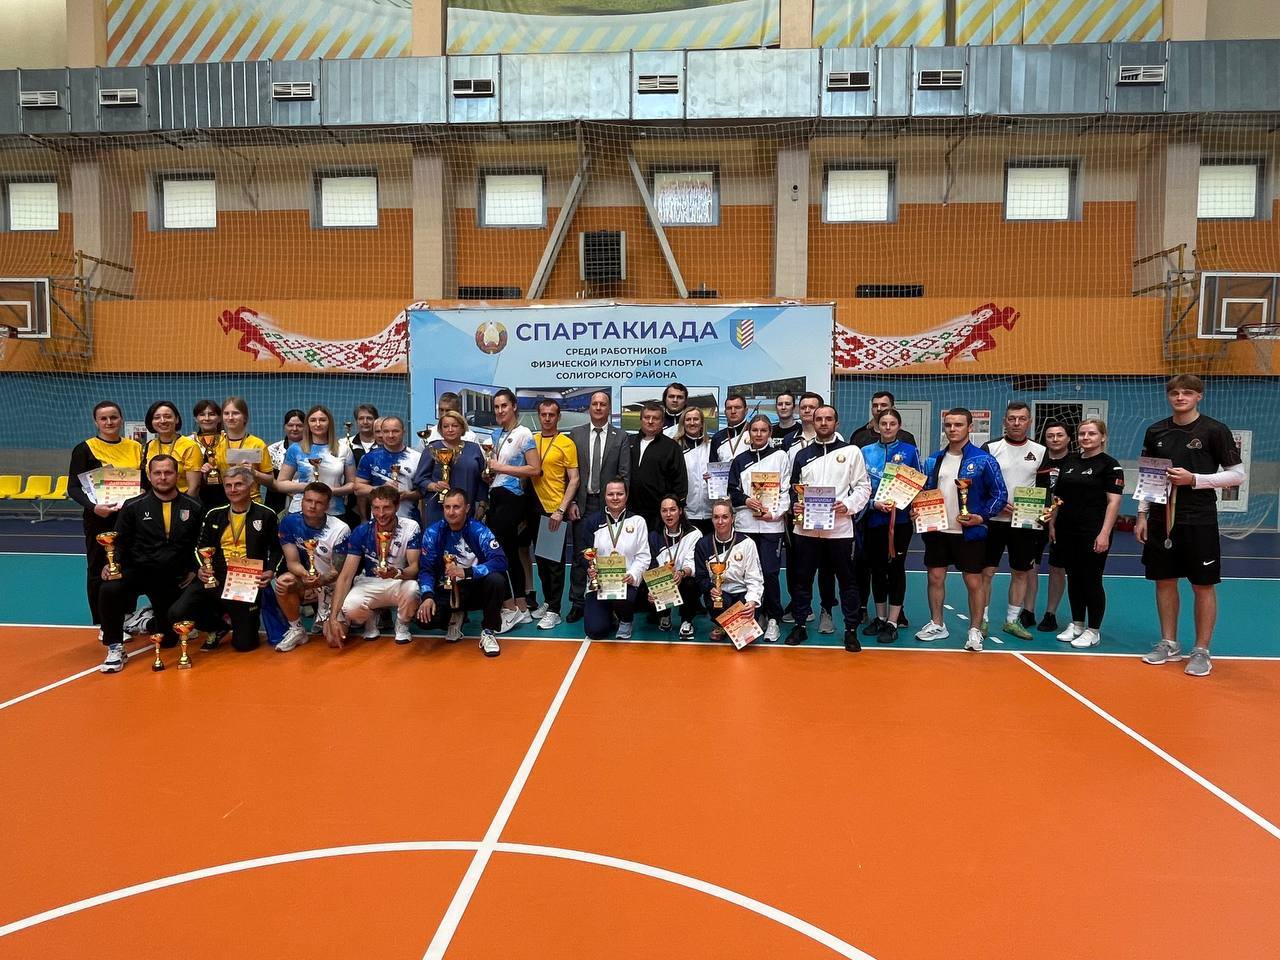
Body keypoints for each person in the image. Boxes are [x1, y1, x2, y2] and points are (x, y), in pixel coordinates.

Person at [1137, 374, 1244, 677]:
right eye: (1175, 393)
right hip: (1161, 519)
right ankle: (1169, 643)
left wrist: (1194, 479)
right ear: (1168, 397)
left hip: (1199, 518)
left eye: (1187, 393)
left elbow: (1237, 475)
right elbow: (1149, 476)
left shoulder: (1215, 430)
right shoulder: (1155, 430)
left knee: (1202, 584)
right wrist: (1142, 515)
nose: (1180, 397)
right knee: (1164, 580)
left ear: (1199, 396)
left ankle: (1201, 650)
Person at [96, 455, 203, 673]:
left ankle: (144, 621)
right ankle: (115, 646)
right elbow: (120, 542)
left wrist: (194, 569)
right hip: (139, 572)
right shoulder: (133, 506)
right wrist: (111, 564)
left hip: (172, 578)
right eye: (157, 473)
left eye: (168, 472)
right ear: (149, 475)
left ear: (177, 475)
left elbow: (200, 543)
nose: (163, 477)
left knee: (168, 640)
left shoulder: (193, 506)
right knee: (109, 589)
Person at [914, 408, 1007, 652]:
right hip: (937, 531)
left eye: (958, 425)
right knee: (935, 578)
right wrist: (917, 510)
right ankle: (937, 624)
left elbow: (1000, 494)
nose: (952, 429)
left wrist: (981, 517)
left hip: (970, 533)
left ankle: (975, 631)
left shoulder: (984, 460)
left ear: (970, 427)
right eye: (948, 425)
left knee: (973, 582)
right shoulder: (934, 459)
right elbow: (925, 492)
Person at [785, 405, 871, 651]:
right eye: (819, 419)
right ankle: (800, 625)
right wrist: (795, 505)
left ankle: (851, 630)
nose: (823, 423)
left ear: (837, 423)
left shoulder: (851, 451)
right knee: (802, 580)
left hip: (840, 530)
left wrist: (848, 505)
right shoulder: (802, 455)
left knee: (847, 581)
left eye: (828, 419)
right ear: (813, 422)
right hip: (806, 530)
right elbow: (793, 489)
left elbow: (863, 487)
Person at [171, 465, 281, 653]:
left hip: (246, 579)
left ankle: (237, 620)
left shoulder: (266, 514)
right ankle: (217, 626)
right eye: (228, 485)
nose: (233, 490)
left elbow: (277, 550)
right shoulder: (214, 514)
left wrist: (270, 570)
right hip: (216, 575)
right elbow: (199, 548)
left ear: (251, 486)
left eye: (238, 484)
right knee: (177, 612)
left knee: (244, 645)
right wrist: (201, 569)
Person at [68, 400, 144, 632]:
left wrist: (142, 491)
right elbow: (73, 488)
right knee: (99, 567)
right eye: (104, 418)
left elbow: (143, 480)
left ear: (121, 419)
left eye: (113, 417)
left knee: (127, 565)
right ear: (96, 422)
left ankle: (127, 615)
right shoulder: (85, 449)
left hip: (129, 518)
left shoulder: (135, 447)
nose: (109, 422)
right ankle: (105, 623)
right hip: (100, 519)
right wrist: (93, 507)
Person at [1049, 419, 1124, 649]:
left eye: (1092, 433)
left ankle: (1094, 630)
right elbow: (1058, 498)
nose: (1086, 437)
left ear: (1103, 437)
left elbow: (1113, 502)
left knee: (1091, 579)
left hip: (1093, 531)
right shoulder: (1069, 462)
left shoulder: (1110, 466)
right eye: (1082, 434)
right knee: (1073, 577)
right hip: (1067, 529)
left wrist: (1104, 533)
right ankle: (1077, 624)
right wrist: (1052, 523)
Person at [980, 402, 1046, 641]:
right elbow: (980, 484)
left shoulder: (1040, 451)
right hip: (994, 521)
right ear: (1004, 421)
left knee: (1021, 572)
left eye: (1022, 418)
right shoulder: (990, 448)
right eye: (1012, 418)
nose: (1017, 423)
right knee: (987, 572)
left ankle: (1011, 621)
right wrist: (996, 503)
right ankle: (982, 619)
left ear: (1029, 421)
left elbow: (1044, 488)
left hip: (1024, 522)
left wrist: (1044, 509)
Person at [416, 488, 509, 657]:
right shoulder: (432, 533)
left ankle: (488, 631)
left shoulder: (479, 531)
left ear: (467, 508)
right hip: (447, 589)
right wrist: (427, 596)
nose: (451, 512)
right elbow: (426, 570)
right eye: (447, 507)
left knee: (497, 580)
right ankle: (456, 614)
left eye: (456, 507)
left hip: (476, 588)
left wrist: (468, 572)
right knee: (425, 621)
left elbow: (500, 560)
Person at [327, 485, 421, 647]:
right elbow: (346, 576)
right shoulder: (361, 531)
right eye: (376, 508)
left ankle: (402, 623)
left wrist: (397, 572)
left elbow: (414, 569)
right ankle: (370, 619)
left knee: (412, 589)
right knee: (350, 607)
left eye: (386, 508)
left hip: (398, 581)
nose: (381, 514)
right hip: (369, 581)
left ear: (397, 506)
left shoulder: (411, 527)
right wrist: (333, 617)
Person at [567, 390, 632, 623]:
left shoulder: (620, 436)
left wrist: (619, 505)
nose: (598, 407)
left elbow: (624, 473)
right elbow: (569, 472)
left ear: (609, 408)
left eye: (603, 404)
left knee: (610, 553)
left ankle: (610, 602)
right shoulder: (575, 434)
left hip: (610, 506)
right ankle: (577, 602)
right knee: (580, 555)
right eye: (594, 403)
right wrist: (572, 501)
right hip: (582, 503)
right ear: (589, 407)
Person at [860, 408, 922, 644]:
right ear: (877, 426)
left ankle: (893, 621)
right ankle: (880, 617)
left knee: (896, 568)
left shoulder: (909, 451)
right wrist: (873, 504)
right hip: (874, 519)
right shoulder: (866, 452)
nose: (887, 427)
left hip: (901, 521)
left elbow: (918, 484)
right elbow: (860, 486)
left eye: (892, 423)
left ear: (899, 426)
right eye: (883, 423)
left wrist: (914, 507)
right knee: (876, 569)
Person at [728, 414, 791, 642]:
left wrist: (773, 514)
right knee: (747, 574)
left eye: (763, 430)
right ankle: (756, 614)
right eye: (755, 430)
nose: (759, 434)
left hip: (771, 526)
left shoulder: (780, 456)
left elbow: (786, 491)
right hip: (746, 526)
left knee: (770, 572)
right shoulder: (740, 460)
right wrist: (747, 501)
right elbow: (732, 491)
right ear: (749, 433)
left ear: (770, 433)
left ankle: (773, 617)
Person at [484, 388, 542, 630]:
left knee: (500, 553)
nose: (500, 411)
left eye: (504, 406)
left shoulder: (524, 433)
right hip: (496, 495)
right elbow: (496, 468)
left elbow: (535, 469)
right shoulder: (496, 434)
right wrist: (490, 473)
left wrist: (501, 468)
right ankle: (522, 607)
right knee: (509, 553)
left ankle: (511, 608)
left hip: (512, 497)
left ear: (514, 406)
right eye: (496, 407)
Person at [783, 390, 840, 633]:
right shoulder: (790, 442)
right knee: (799, 567)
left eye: (812, 407)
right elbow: (790, 481)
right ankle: (800, 608)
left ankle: (827, 609)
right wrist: (793, 503)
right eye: (804, 407)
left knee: (827, 568)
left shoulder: (840, 444)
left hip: (831, 519)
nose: (807, 411)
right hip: (801, 517)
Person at [273, 482, 351, 652]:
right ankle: (297, 629)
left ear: (327, 506)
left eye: (319, 502)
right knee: (283, 582)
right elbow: (292, 562)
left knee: (334, 640)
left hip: (332, 585)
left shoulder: (340, 529)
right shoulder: (289, 522)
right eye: (308, 500)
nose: (312, 506)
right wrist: (305, 577)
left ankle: (334, 617)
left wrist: (314, 583)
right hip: (307, 580)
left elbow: (336, 572)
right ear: (302, 501)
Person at [526, 399, 580, 630]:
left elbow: (574, 479)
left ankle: (555, 611)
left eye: (551, 414)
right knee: (541, 562)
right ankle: (548, 602)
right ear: (538, 416)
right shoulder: (532, 440)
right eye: (543, 414)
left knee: (554, 565)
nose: (547, 418)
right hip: (533, 507)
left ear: (558, 417)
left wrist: (561, 510)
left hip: (553, 508)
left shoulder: (566, 443)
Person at [579, 478, 651, 640]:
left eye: (620, 494)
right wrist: (590, 569)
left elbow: (643, 556)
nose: (615, 498)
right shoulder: (593, 522)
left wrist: (632, 575)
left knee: (624, 598)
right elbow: (583, 552)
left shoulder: (638, 521)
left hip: (626, 583)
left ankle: (625, 619)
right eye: (611, 494)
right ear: (604, 496)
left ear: (626, 495)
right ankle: (609, 615)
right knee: (595, 631)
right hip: (600, 583)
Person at [691, 499, 764, 641]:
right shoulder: (703, 544)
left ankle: (750, 619)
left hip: (742, 593)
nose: (720, 522)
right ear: (712, 519)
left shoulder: (747, 543)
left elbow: (755, 578)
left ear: (732, 518)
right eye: (716, 517)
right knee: (716, 601)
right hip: (720, 594)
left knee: (745, 638)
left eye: (725, 517)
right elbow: (700, 577)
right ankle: (720, 625)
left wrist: (752, 601)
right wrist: (710, 588)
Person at [278, 405, 357, 518]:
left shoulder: (344, 449)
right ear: (308, 424)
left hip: (334, 512)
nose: (318, 424)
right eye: (313, 420)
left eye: (322, 420)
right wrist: (309, 488)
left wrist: (331, 491)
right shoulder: (295, 449)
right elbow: (281, 483)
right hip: (300, 512)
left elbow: (352, 484)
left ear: (329, 423)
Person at [413, 410, 488, 529]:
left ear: (462, 428)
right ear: (440, 430)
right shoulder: (431, 448)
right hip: (437, 509)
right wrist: (434, 486)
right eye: (446, 426)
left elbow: (482, 480)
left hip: (467, 508)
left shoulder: (474, 449)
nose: (450, 429)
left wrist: (482, 505)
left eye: (455, 426)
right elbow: (420, 479)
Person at [645, 496, 703, 638]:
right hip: (663, 582)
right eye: (664, 510)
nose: (668, 514)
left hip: (683, 578)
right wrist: (653, 587)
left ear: (680, 511)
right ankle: (664, 615)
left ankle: (686, 621)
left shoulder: (694, 534)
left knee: (691, 583)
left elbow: (693, 563)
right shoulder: (654, 535)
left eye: (672, 510)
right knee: (646, 589)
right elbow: (652, 566)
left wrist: (681, 573)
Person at [1033, 421, 1072, 631]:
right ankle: (1027, 610)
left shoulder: (1075, 462)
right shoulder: (1038, 459)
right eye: (1050, 436)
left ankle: (1050, 613)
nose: (1055, 439)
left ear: (1068, 438)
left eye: (1059, 435)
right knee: (1030, 566)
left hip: (1062, 521)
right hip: (1035, 517)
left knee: (1057, 567)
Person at [628, 401, 687, 530]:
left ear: (662, 422)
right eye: (646, 417)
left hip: (658, 514)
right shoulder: (628, 442)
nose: (650, 421)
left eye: (655, 418)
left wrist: (673, 509)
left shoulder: (671, 447)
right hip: (630, 511)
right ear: (641, 419)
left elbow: (680, 482)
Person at [355, 414, 422, 521]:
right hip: (379, 521)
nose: (391, 435)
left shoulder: (417, 458)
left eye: (395, 431)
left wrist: (407, 495)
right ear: (381, 433)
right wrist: (381, 489)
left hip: (409, 520)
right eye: (386, 431)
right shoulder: (370, 458)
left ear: (403, 432)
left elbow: (423, 491)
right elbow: (358, 489)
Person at [217, 397, 275, 502]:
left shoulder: (257, 444)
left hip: (252, 502)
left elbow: (270, 481)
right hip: (225, 502)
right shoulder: (217, 444)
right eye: (226, 413)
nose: (230, 417)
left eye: (235, 413)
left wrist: (255, 473)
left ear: (245, 417)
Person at [141, 401, 203, 496]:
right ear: (151, 422)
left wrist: (183, 504)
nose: (162, 421)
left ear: (176, 419)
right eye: (157, 417)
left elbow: (194, 487)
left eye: (167, 416)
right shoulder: (150, 445)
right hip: (154, 500)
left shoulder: (190, 446)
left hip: (182, 500)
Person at [675, 406, 713, 534]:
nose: (692, 423)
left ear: (702, 423)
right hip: (686, 514)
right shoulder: (675, 447)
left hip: (711, 513)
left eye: (696, 419)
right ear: (683, 423)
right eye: (688, 419)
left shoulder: (711, 446)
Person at [266, 409, 306, 513]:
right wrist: (287, 490)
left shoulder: (314, 451)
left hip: (305, 500)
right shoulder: (272, 450)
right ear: (284, 427)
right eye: (290, 425)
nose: (294, 429)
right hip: (276, 502)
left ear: (306, 427)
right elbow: (269, 480)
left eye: (299, 425)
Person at [850, 391, 918, 448]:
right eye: (875, 406)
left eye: (883, 405)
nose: (879, 409)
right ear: (871, 409)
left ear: (893, 408)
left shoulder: (906, 437)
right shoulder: (859, 437)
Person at [190, 399, 225, 509]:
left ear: (219, 418)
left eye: (212, 414)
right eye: (202, 414)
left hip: (226, 494)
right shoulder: (189, 442)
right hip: (198, 497)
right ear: (196, 419)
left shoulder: (228, 440)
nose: (207, 418)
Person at [710, 394, 750, 463]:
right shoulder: (717, 438)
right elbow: (713, 465)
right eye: (729, 408)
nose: (733, 411)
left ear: (746, 411)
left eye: (737, 407)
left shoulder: (756, 432)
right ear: (725, 412)